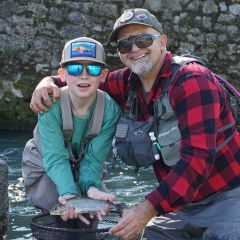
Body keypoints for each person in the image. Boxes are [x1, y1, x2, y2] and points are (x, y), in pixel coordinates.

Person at [29, 8, 240, 240]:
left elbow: (198, 160)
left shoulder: (192, 81)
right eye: (125, 44)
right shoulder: (127, 82)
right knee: (150, 235)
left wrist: (147, 208)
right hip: (182, 205)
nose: (135, 49)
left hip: (230, 195)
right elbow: (82, 80)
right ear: (120, 53)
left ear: (162, 41)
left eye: (143, 39)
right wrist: (47, 82)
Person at [22, 36, 121, 224]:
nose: (84, 75)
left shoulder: (111, 110)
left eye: (92, 69)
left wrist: (91, 187)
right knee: (57, 212)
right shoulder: (50, 105)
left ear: (103, 75)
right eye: (75, 69)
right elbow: (55, 157)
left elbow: (93, 159)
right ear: (62, 74)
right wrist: (69, 196)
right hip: (45, 164)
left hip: (82, 163)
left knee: (93, 211)